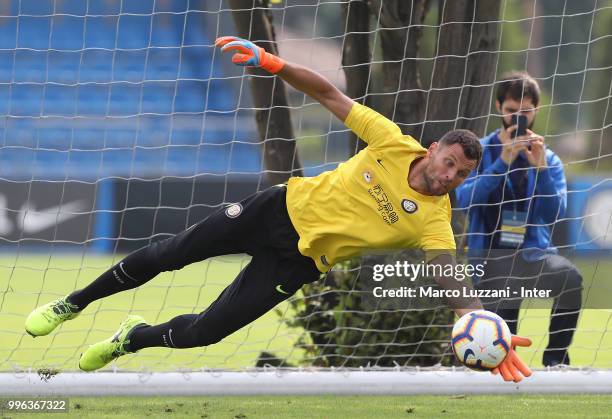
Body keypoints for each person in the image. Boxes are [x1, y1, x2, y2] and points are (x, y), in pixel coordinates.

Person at [25, 36, 531, 382]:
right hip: (275, 210)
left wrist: (479, 322)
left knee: (205, 332)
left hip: (299, 262)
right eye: (448, 164)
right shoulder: (391, 142)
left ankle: (130, 340)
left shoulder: (434, 220)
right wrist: (272, 63)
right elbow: (330, 93)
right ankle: (72, 304)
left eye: (461, 175)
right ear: (435, 147)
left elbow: (449, 277)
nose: (449, 177)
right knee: (169, 254)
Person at [455, 71, 582, 367]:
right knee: (500, 348)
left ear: (536, 110)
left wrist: (540, 171)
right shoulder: (481, 151)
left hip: (533, 255)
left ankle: (556, 361)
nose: (518, 118)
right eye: (512, 111)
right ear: (499, 107)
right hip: (490, 260)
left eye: (525, 111)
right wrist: (503, 161)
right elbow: (463, 201)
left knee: (570, 278)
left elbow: (554, 215)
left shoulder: (547, 158)